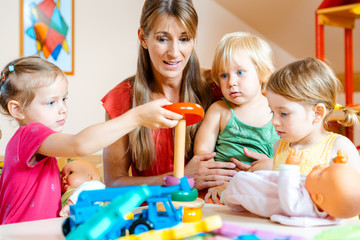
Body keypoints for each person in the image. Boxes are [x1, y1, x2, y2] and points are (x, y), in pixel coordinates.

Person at [0, 56, 183, 224]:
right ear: (17, 110)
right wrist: (137, 117)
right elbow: (79, 144)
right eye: (51, 102)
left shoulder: (37, 147)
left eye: (64, 99)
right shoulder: (29, 134)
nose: (63, 108)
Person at [101, 0, 236, 190]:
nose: (174, 52)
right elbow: (114, 183)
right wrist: (180, 179)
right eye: (163, 39)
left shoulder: (217, 86)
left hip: (211, 211)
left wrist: (269, 163)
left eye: (184, 38)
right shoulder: (122, 98)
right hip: (154, 214)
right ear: (143, 38)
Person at [233, 57, 360, 174]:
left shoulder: (340, 147)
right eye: (273, 112)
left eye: (284, 113)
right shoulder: (279, 147)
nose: (274, 122)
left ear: (317, 113)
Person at [194, 32, 279, 203]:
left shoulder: (276, 110)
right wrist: (217, 180)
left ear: (263, 73)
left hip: (265, 188)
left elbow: (291, 154)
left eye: (240, 72)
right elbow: (202, 153)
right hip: (221, 187)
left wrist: (274, 165)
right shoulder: (219, 110)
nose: (231, 82)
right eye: (224, 75)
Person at [220, 148, 360, 227]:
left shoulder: (301, 207)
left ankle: (226, 192)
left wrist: (291, 167)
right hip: (266, 181)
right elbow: (334, 182)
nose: (319, 166)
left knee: (240, 184)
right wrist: (337, 164)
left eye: (321, 173)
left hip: (250, 193)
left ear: (317, 197)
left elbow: (287, 190)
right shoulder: (325, 199)